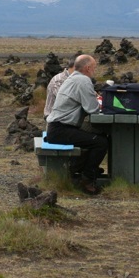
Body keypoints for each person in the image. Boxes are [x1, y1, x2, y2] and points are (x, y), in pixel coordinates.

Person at [46, 54, 109, 195]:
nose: (95, 70)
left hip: (57, 128)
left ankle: (84, 171)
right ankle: (87, 180)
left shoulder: (73, 78)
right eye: (94, 67)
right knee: (101, 142)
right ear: (87, 68)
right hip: (61, 129)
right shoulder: (83, 80)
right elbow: (92, 109)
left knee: (96, 137)